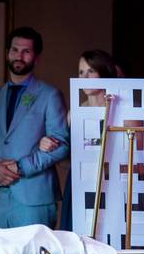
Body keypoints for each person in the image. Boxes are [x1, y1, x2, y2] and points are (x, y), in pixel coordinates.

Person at [0, 26, 69, 235]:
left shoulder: (50, 95)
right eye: (15, 50)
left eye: (26, 51)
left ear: (36, 57)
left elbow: (61, 145)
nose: (19, 56)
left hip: (33, 196)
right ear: (7, 53)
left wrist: (20, 167)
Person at [43, 49, 119, 230]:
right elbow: (64, 154)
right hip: (79, 181)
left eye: (91, 71)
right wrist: (48, 144)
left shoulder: (119, 110)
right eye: (81, 72)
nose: (84, 77)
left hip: (112, 181)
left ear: (104, 73)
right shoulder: (73, 114)